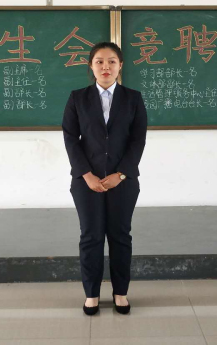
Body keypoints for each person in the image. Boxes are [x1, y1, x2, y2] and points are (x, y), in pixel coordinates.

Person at [62, 42, 147, 315]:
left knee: (120, 236)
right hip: (86, 181)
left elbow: (138, 140)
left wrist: (120, 174)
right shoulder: (78, 98)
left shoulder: (133, 98)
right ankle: (92, 294)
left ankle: (121, 293)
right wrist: (86, 175)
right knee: (91, 236)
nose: (105, 66)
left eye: (111, 61)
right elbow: (70, 138)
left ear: (120, 65)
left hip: (123, 181)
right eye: (99, 61)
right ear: (91, 66)